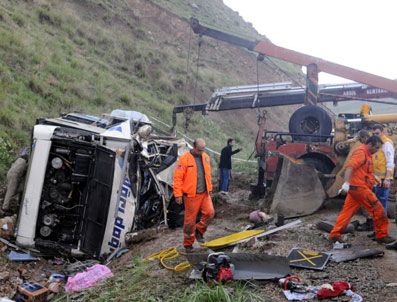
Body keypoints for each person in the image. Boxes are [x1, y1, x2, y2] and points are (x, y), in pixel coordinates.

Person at [329, 135, 394, 244]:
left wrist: (375, 179)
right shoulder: (361, 152)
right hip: (360, 189)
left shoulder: (367, 154)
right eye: (376, 148)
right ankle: (382, 235)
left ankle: (335, 234)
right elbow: (350, 167)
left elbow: (364, 171)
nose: (377, 151)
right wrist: (346, 183)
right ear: (370, 144)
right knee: (379, 209)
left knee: (347, 212)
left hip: (356, 189)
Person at [173, 138, 214, 252]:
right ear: (194, 147)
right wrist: (178, 194)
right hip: (191, 196)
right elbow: (177, 178)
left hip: (204, 193)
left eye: (203, 149)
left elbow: (208, 174)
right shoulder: (184, 159)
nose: (202, 152)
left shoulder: (205, 157)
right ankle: (188, 244)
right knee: (189, 221)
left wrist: (209, 188)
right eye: (200, 149)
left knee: (210, 213)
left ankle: (199, 231)